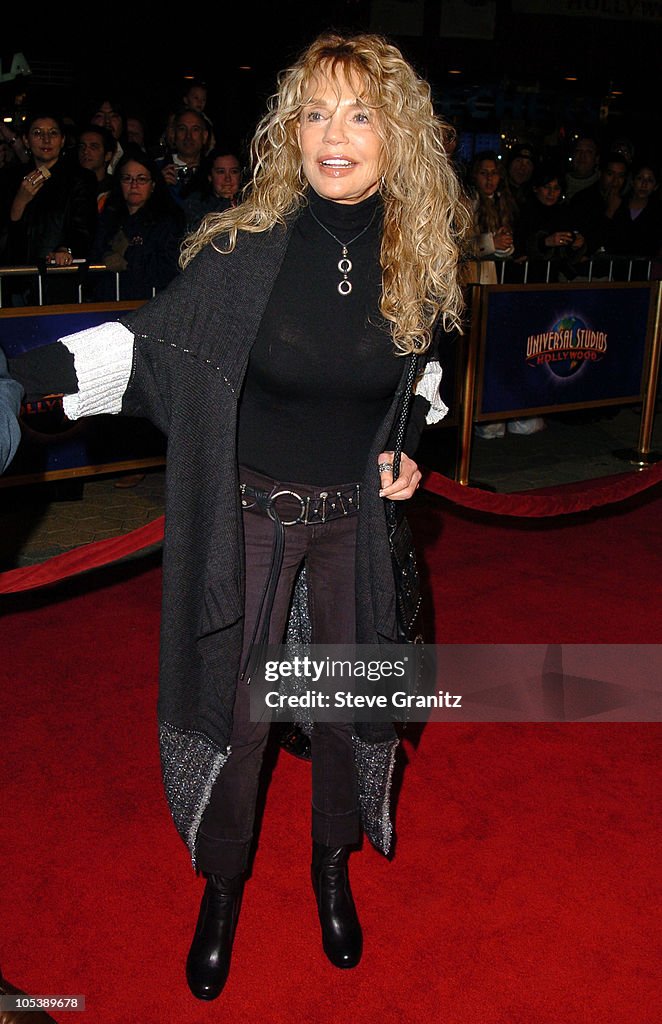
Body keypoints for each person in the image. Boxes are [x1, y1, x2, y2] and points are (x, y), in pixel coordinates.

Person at [6, 32, 467, 1001]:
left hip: (354, 525)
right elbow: (144, 348)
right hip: (252, 512)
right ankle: (222, 882)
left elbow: (426, 378)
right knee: (244, 710)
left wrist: (409, 451)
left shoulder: (417, 261)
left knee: (345, 706)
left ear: (398, 136)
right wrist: (19, 380)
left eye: (357, 114)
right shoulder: (244, 252)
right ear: (288, 132)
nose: (332, 135)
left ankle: (329, 863)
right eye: (313, 113)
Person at [89, 151, 184, 300]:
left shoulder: (168, 222)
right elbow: (93, 254)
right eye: (127, 179)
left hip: (148, 303)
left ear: (152, 185)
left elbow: (170, 267)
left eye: (141, 179)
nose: (134, 185)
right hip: (108, 302)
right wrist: (105, 255)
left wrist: (128, 257)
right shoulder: (108, 218)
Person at [182, 148, 243, 232]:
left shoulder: (250, 202)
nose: (228, 179)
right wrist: (226, 202)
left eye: (234, 172)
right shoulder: (195, 203)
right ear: (210, 176)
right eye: (221, 172)